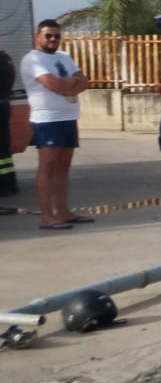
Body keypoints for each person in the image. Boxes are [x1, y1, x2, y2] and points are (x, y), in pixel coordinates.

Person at [20, 20, 90, 229]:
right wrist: (69, 84)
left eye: (56, 36)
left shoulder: (64, 57)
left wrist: (67, 86)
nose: (52, 40)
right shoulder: (32, 59)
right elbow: (53, 84)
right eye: (48, 35)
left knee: (64, 166)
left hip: (68, 118)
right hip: (47, 120)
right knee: (48, 166)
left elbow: (84, 82)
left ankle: (64, 211)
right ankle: (47, 216)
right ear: (38, 36)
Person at [0, 46, 16, 197]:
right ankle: (9, 184)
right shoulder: (6, 59)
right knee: (4, 152)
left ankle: (4, 186)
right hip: (4, 105)